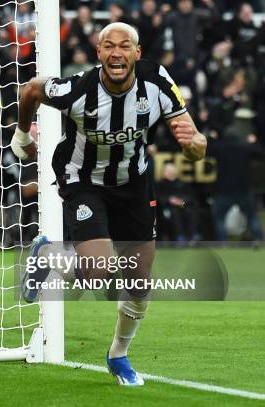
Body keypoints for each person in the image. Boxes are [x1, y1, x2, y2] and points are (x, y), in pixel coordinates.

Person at [11, 22, 206, 385]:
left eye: (125, 46)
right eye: (109, 46)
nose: (117, 52)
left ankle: (118, 355)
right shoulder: (77, 89)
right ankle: (48, 256)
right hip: (83, 181)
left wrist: (195, 145)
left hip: (133, 184)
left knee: (140, 282)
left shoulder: (158, 83)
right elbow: (32, 89)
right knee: (98, 270)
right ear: (99, 53)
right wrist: (22, 134)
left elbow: (196, 145)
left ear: (137, 52)